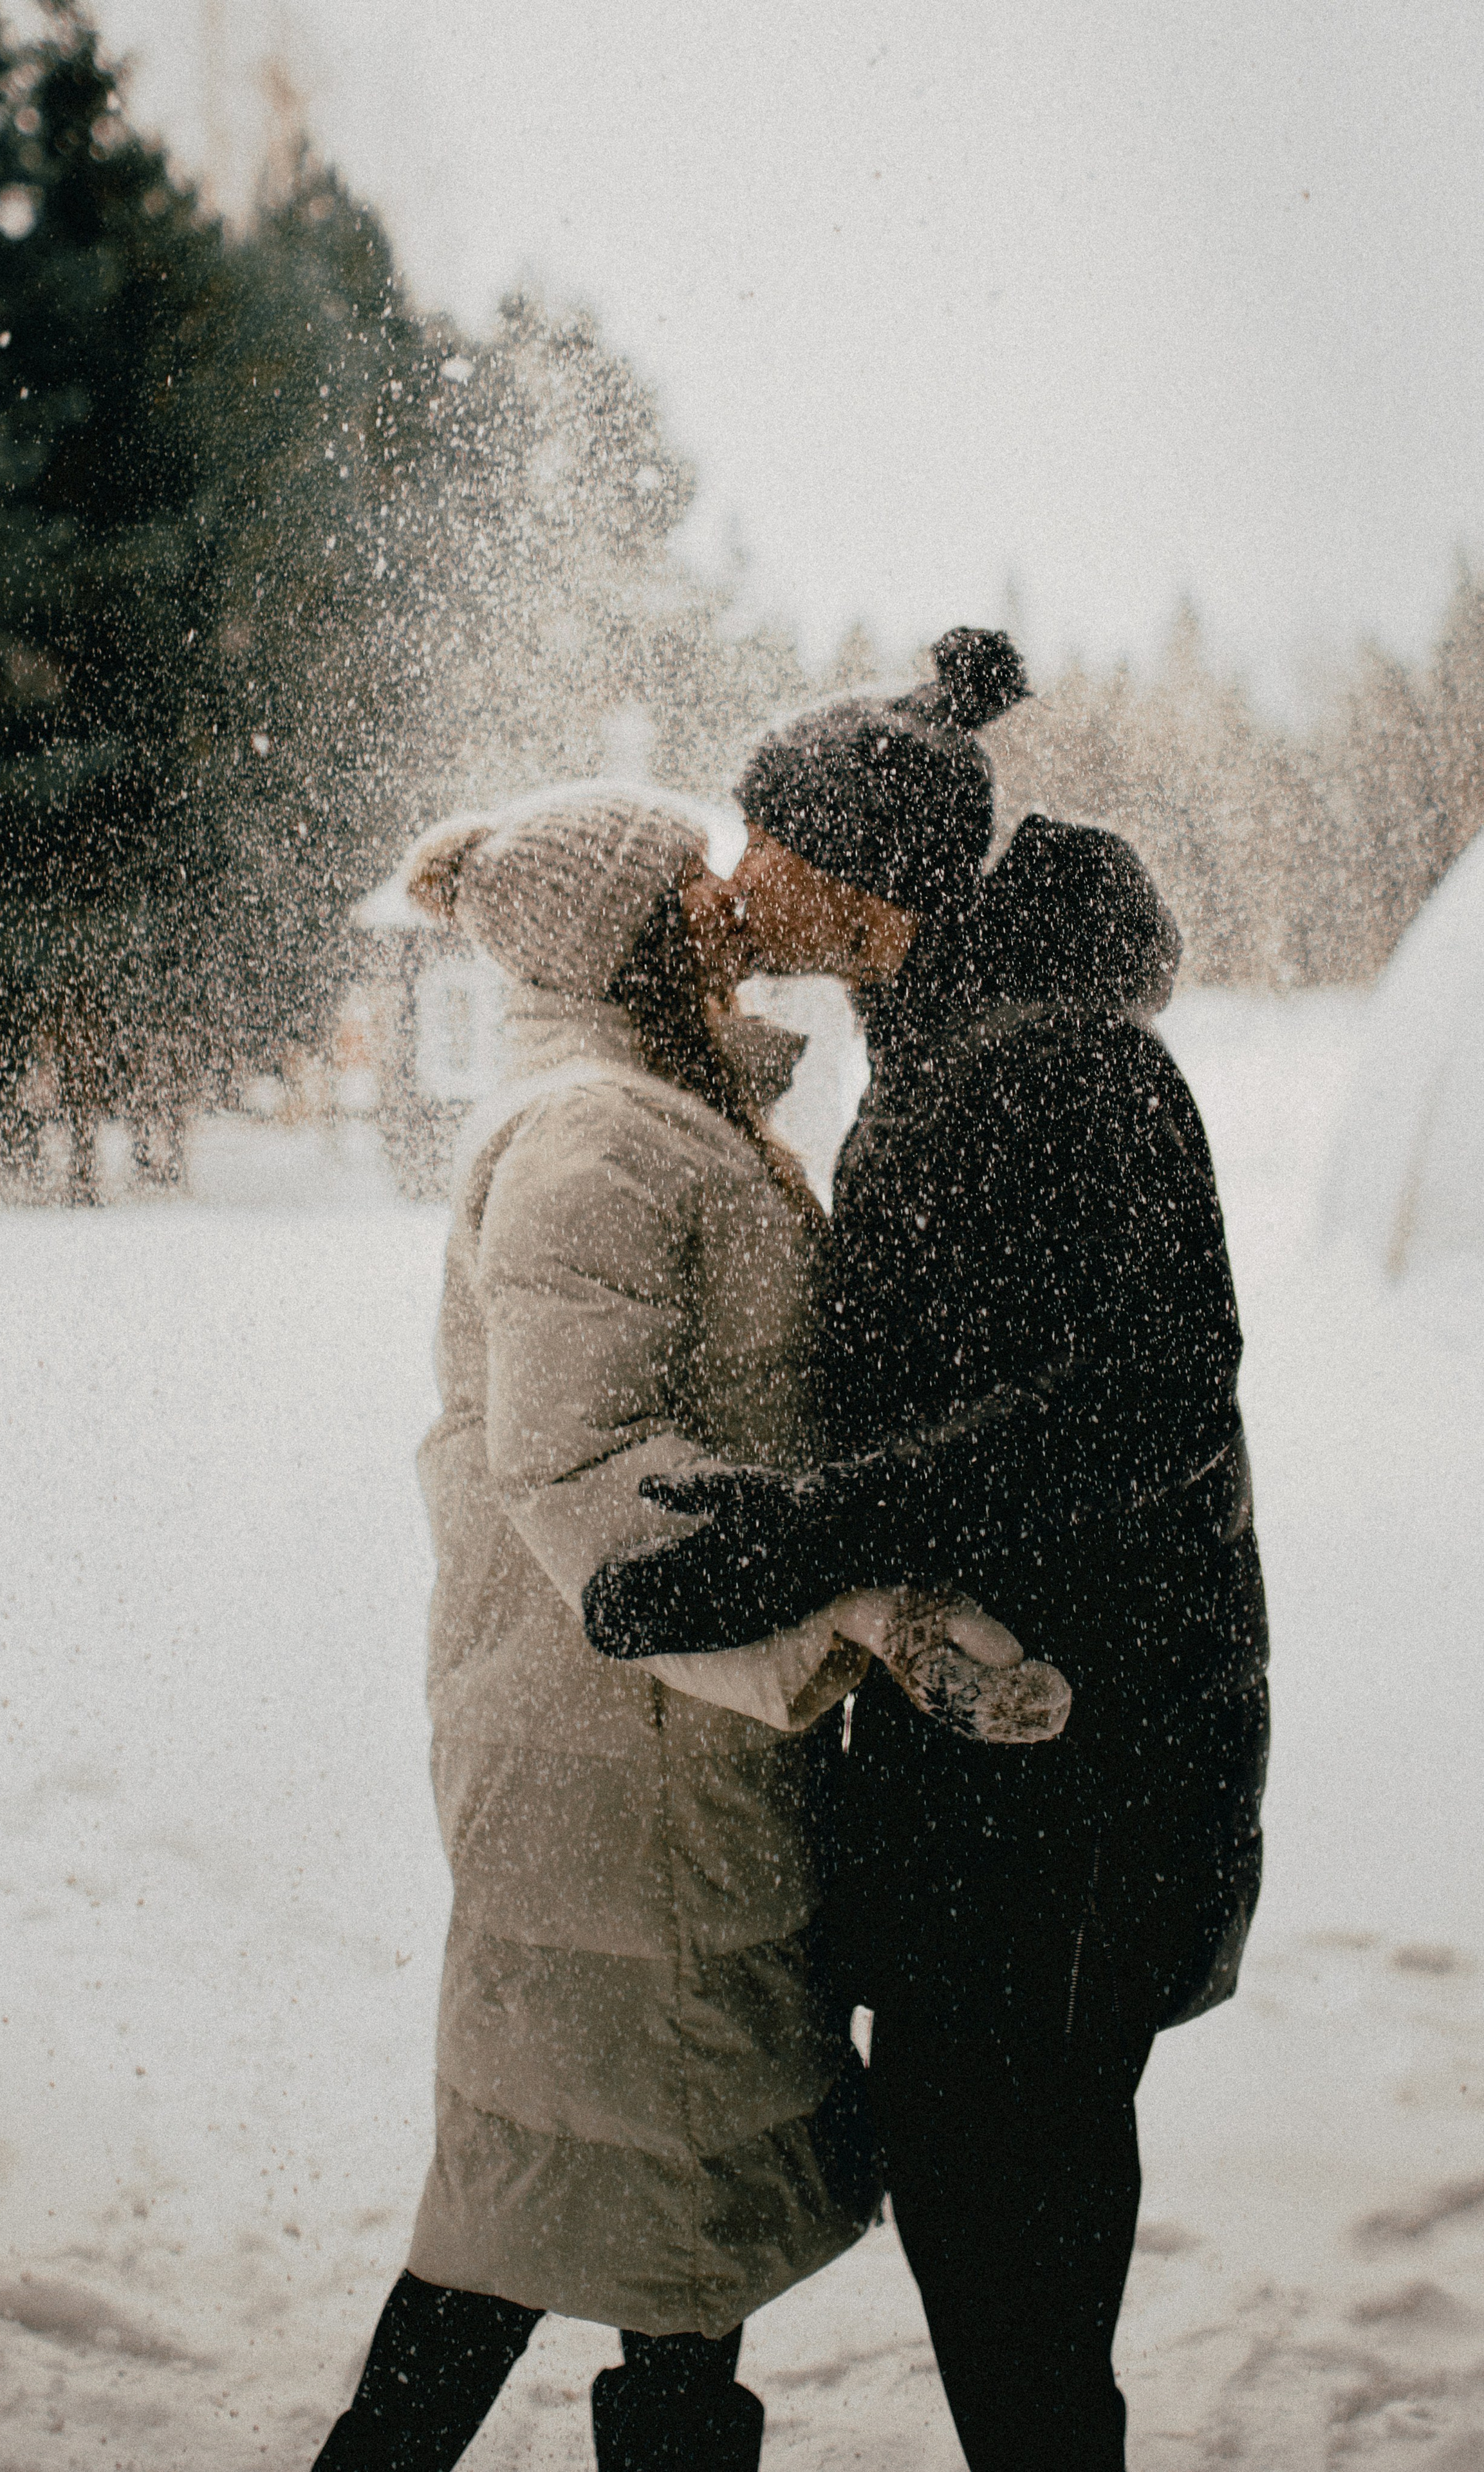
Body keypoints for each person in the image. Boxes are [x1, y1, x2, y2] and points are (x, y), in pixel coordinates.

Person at [582, 630, 1271, 2472]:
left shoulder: (1063, 1074)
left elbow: (1132, 1406)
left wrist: (815, 1535)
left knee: (1015, 2249)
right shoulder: (946, 1050)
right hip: (1007, 1780)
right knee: (988, 2214)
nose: (727, 874)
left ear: (853, 875)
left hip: (1096, 1774)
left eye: (757, 839)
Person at [311, 787, 887, 2472]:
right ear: (622, 938)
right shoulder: (598, 1138)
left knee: (626, 2193)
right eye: (696, 891)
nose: (730, 912)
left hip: (656, 1741)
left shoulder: (647, 1110)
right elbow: (587, 1467)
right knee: (570, 2192)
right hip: (620, 1756)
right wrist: (852, 1611)